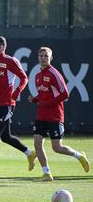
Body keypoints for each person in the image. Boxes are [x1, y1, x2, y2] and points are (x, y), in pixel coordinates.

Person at [28, 47, 90, 181]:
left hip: (55, 116)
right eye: (41, 55)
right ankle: (46, 173)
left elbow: (65, 94)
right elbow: (44, 94)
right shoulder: (38, 75)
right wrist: (35, 99)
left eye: (46, 56)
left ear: (51, 58)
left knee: (57, 147)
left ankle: (80, 156)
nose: (43, 58)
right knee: (37, 143)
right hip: (41, 116)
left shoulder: (54, 73)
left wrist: (47, 103)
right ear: (38, 57)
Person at [0, 36, 35, 179]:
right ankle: (30, 153)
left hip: (7, 105)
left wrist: (16, 92)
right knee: (6, 137)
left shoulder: (10, 61)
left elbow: (24, 78)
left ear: (1, 47)